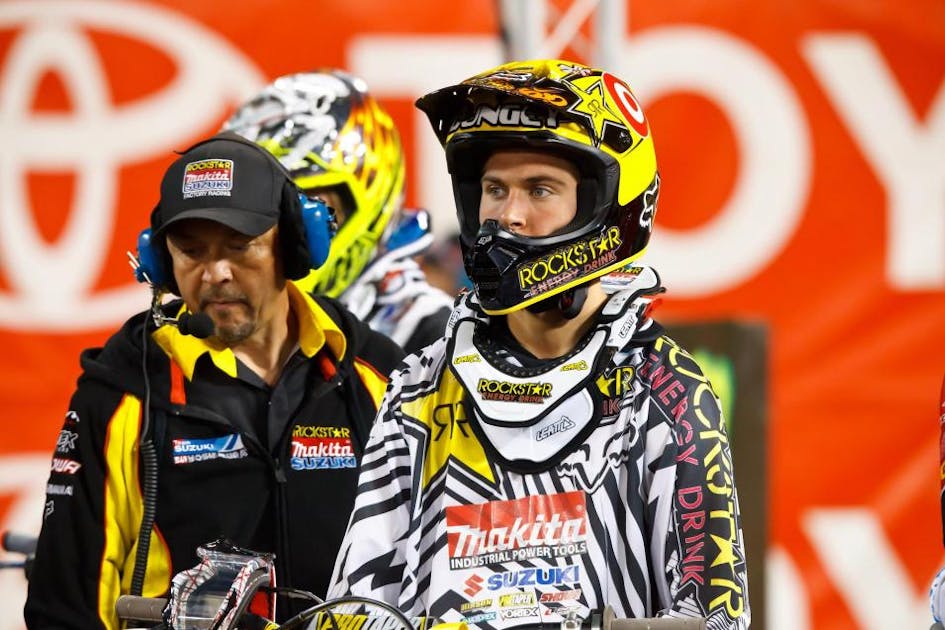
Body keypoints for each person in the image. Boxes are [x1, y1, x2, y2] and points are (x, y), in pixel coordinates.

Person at [328, 59, 750, 629]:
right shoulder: (419, 386)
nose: (508, 216)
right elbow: (350, 612)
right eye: (494, 189)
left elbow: (718, 620)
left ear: (608, 204)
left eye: (540, 189)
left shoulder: (665, 393)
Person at [25, 132, 404, 628]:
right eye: (191, 251)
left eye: (240, 246)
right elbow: (64, 609)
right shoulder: (121, 392)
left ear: (294, 245)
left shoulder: (376, 372)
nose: (216, 272)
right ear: (162, 262)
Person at [223, 70, 455, 355]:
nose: (279, 228)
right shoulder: (218, 321)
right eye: (259, 209)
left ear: (365, 200)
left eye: (304, 204)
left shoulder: (437, 340)